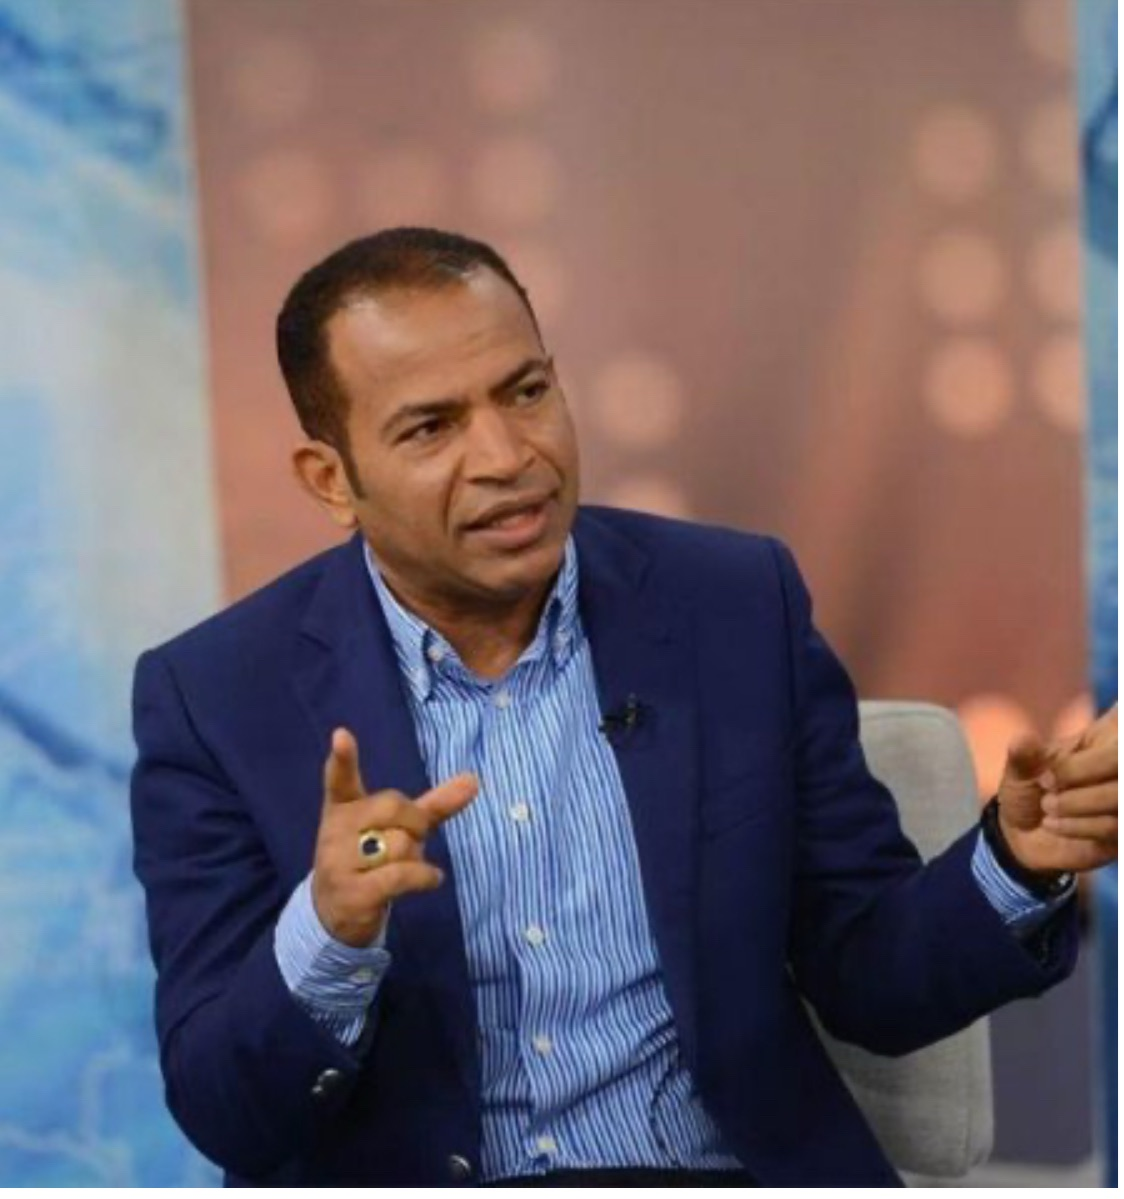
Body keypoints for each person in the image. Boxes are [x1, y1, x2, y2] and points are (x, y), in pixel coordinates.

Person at [130, 227, 1118, 1188]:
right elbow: (226, 1108)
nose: (506, 454)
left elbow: (869, 972)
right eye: (431, 427)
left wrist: (1016, 860)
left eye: (525, 391)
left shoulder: (734, 605)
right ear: (331, 480)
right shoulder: (215, 697)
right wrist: (328, 932)